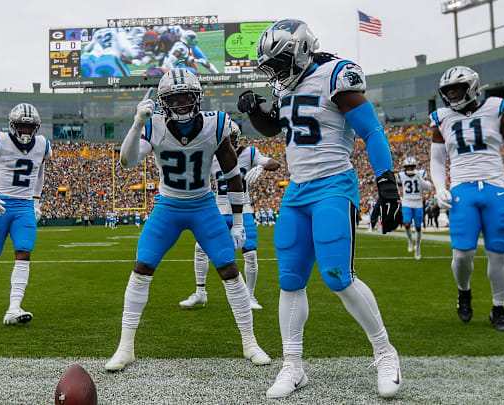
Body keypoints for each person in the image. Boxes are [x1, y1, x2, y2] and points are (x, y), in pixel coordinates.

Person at [239, 19, 403, 399]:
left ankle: (386, 353)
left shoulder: (335, 74)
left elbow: (372, 131)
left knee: (336, 275)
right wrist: (254, 112)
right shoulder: (290, 87)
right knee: (290, 280)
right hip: (296, 191)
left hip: (332, 185)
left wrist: (387, 184)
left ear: (299, 51)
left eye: (280, 62)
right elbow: (274, 128)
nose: (277, 73)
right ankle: (293, 366)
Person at [105, 68, 270, 371]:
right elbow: (127, 161)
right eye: (174, 99)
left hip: (204, 205)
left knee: (230, 270)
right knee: (142, 268)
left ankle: (250, 343)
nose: (180, 105)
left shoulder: (215, 124)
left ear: (197, 98)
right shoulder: (153, 125)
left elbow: (233, 176)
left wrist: (237, 221)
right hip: (167, 205)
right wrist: (137, 122)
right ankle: (125, 347)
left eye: (186, 98)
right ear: (164, 101)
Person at [429, 66, 504, 332]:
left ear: (471, 87)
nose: (451, 94)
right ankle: (464, 291)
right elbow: (437, 161)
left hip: (496, 188)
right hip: (463, 188)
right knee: (462, 254)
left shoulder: (496, 108)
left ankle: (498, 308)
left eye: (456, 89)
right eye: (447, 90)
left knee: (498, 252)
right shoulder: (441, 117)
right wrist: (439, 187)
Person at [180, 121, 281, 310]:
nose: (228, 141)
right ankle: (200, 292)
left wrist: (261, 167)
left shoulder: (249, 153)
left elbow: (274, 163)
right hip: (217, 210)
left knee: (250, 254)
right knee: (200, 249)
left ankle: (250, 296)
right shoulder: (211, 156)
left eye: (231, 137)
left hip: (243, 210)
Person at [0, 103, 52, 325]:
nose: (26, 131)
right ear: (12, 125)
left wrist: (36, 202)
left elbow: (39, 174)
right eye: (22, 126)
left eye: (30, 127)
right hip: (1, 204)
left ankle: (14, 307)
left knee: (24, 254)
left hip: (24, 207)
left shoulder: (43, 144)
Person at [397, 157, 433, 259]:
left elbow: (429, 188)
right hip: (407, 202)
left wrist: (420, 179)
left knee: (418, 227)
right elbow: (398, 186)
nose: (409, 169)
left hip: (418, 203)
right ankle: (410, 240)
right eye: (407, 167)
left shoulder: (421, 174)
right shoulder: (401, 176)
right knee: (407, 224)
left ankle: (418, 248)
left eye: (411, 167)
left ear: (415, 167)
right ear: (404, 168)